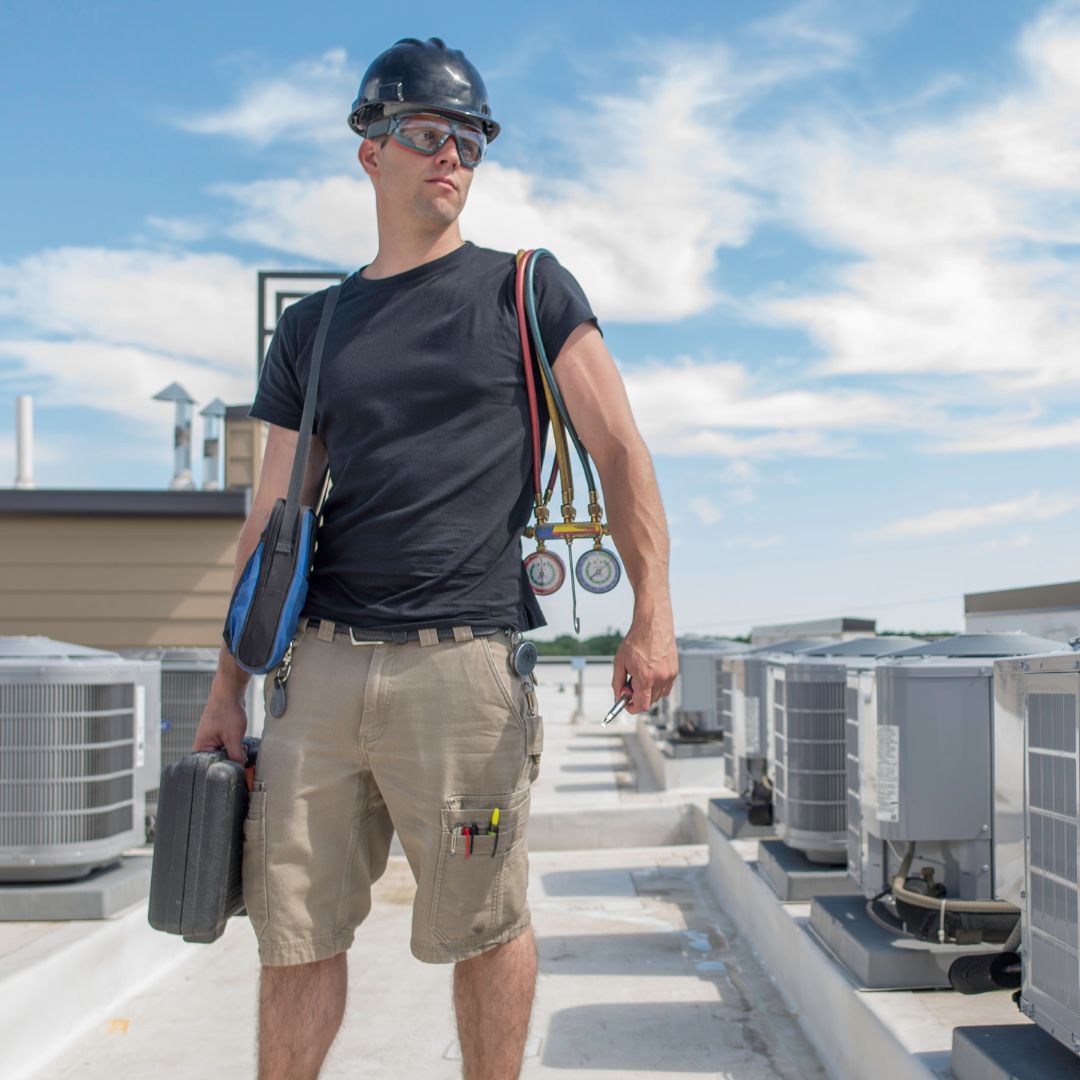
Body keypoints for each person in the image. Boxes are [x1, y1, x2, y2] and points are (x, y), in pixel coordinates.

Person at [194, 36, 678, 1080]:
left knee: (485, 926)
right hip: (316, 679)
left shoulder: (527, 289)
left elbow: (622, 451)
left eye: (470, 139)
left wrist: (653, 614)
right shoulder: (314, 330)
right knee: (296, 937)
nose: (451, 154)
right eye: (427, 132)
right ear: (371, 152)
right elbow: (268, 517)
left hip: (463, 679)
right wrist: (227, 685)